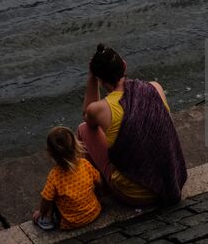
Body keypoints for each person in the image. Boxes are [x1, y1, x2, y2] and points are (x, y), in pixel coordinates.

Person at [78, 44, 187, 208]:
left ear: (100, 80)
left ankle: (97, 189)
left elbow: (88, 114)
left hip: (135, 195)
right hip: (170, 181)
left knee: (84, 129)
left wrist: (91, 76)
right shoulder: (154, 88)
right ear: (124, 65)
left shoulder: (99, 109)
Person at [32, 126, 102, 231]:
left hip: (71, 222)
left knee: (51, 195)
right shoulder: (85, 164)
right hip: (94, 212)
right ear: (76, 145)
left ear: (50, 153)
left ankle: (47, 220)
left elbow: (46, 200)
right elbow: (99, 182)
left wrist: (41, 212)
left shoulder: (55, 175)